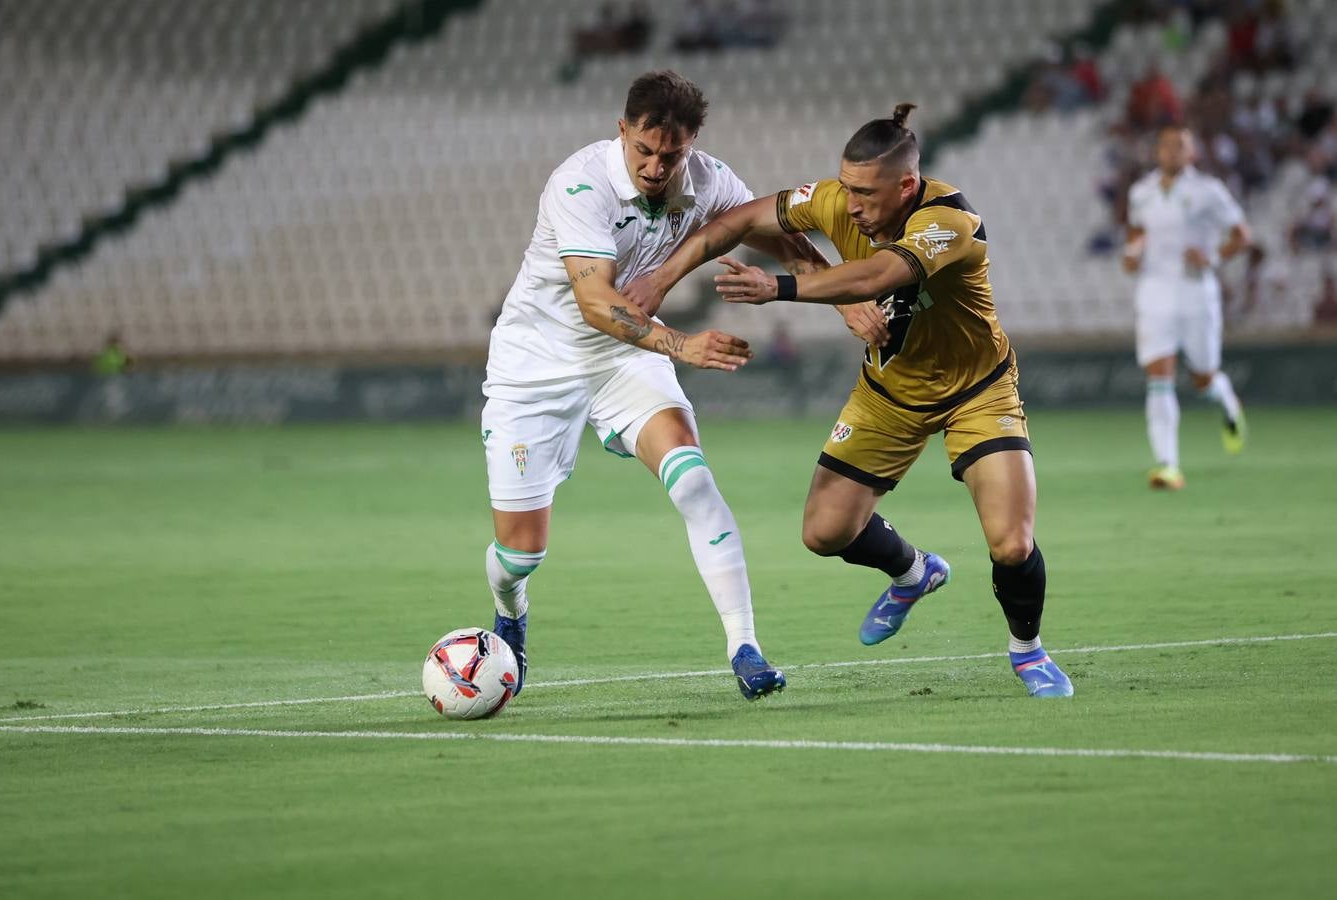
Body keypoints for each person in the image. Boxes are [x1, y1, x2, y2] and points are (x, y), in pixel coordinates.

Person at [623, 104, 1073, 698]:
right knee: (824, 532)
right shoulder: (835, 198)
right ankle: (915, 572)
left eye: (866, 192)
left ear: (907, 186)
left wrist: (779, 286)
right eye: (846, 187)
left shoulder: (950, 222)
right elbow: (735, 221)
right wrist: (659, 281)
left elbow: (877, 277)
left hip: (978, 392)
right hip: (888, 395)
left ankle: (1028, 652)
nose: (851, 203)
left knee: (1011, 543)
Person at [481, 70, 828, 700]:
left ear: (691, 142)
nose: (655, 166)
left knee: (693, 478)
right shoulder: (580, 184)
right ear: (623, 132)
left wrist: (845, 302)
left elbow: (774, 234)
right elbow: (594, 303)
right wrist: (684, 344)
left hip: (624, 358)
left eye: (672, 154)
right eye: (644, 150)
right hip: (535, 365)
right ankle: (511, 610)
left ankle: (745, 646)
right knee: (520, 555)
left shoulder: (709, 179)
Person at [1123, 125, 1252, 490]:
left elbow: (1243, 235)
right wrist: (1132, 255)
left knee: (1202, 377)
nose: (1172, 152)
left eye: (1180, 146)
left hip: (1196, 293)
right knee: (1159, 376)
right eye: (1166, 145)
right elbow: (1136, 231)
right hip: (1153, 292)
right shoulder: (1142, 192)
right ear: (1157, 151)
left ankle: (1226, 400)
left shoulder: (1208, 191)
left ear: (1192, 153)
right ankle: (1168, 465)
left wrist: (1211, 256)